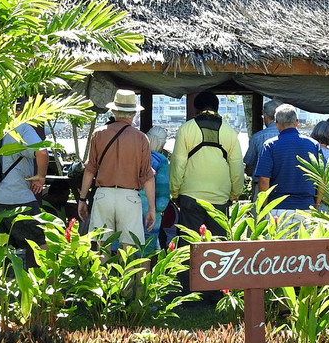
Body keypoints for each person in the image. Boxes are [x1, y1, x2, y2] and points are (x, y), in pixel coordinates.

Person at [77, 90, 155, 248]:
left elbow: (90, 170)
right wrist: (151, 208)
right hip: (129, 197)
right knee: (129, 250)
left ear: (113, 110)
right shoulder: (141, 138)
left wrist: (82, 199)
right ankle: (125, 274)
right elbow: (147, 176)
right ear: (133, 113)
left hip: (103, 195)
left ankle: (102, 274)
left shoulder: (98, 134)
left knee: (102, 247)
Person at [169, 91, 244, 240]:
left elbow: (178, 164)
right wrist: (235, 194)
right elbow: (237, 168)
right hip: (220, 199)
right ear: (217, 107)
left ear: (197, 107)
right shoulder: (230, 132)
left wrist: (175, 192)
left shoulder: (186, 129)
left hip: (190, 197)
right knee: (217, 248)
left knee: (188, 247)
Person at [0, 122, 49, 267]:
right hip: (18, 197)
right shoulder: (22, 128)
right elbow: (42, 152)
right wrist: (40, 177)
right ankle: (49, 285)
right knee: (41, 242)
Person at [253, 103, 321, 220]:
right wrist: (317, 204)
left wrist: (265, 207)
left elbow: (264, 180)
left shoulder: (270, 145)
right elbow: (322, 179)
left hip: (278, 209)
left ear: (276, 124)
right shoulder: (313, 145)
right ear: (297, 122)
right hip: (306, 208)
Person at [140, 126, 170, 253]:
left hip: (132, 206)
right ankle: (145, 273)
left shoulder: (139, 155)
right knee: (147, 248)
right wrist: (161, 208)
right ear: (162, 144)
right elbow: (163, 191)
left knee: (129, 246)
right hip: (152, 210)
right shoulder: (161, 160)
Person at [244, 99, 279, 198]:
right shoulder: (292, 138)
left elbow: (249, 167)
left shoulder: (257, 137)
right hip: (286, 188)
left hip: (261, 188)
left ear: (266, 116)